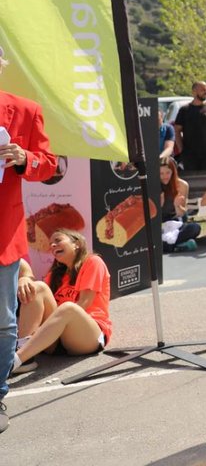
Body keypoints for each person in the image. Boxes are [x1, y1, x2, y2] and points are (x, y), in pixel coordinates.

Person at [0, 45, 57, 432]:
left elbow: (49, 165)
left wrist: (23, 158)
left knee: (4, 323)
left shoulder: (24, 110)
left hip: (3, 234)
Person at [11, 230, 110, 378]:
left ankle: (15, 360)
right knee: (37, 287)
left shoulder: (93, 262)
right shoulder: (54, 274)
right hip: (55, 339)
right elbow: (41, 308)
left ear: (76, 244)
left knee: (69, 308)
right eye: (51, 244)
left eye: (58, 240)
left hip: (87, 337)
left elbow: (84, 303)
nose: (52, 245)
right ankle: (25, 355)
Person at [174, 81, 206, 173]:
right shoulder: (184, 110)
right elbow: (177, 130)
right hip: (189, 154)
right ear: (194, 92)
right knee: (192, 181)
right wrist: (181, 149)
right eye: (203, 90)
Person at [159, 157, 200, 253]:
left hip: (175, 223)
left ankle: (167, 247)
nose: (164, 176)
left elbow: (182, 214)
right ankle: (177, 246)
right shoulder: (153, 185)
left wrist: (177, 205)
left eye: (168, 173)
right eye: (161, 173)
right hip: (160, 224)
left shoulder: (182, 185)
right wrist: (159, 204)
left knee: (195, 228)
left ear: (173, 172)